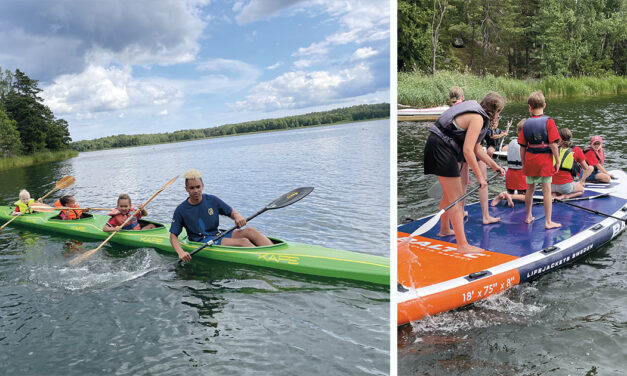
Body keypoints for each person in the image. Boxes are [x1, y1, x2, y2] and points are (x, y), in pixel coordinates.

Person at [424, 92, 506, 254]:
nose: (499, 115)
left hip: (437, 145)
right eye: (499, 111)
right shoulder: (478, 118)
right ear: (495, 110)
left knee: (449, 195)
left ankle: (445, 229)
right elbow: (468, 151)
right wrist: (480, 177)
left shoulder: (474, 113)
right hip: (441, 149)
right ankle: (462, 245)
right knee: (455, 198)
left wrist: (494, 165)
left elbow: (476, 148)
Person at [170, 169, 273, 262]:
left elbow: (232, 212)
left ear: (203, 186)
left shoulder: (212, 200)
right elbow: (173, 236)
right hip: (201, 241)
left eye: (198, 187)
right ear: (186, 189)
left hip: (217, 234)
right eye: (192, 188)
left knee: (250, 231)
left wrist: (237, 216)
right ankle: (268, 261)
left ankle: (277, 254)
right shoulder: (181, 210)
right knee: (243, 242)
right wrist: (181, 252)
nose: (196, 191)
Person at [519, 91, 561, 229]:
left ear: (529, 107)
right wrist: (557, 161)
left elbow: (522, 147)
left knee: (529, 189)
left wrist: (524, 163)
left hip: (530, 159)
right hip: (545, 161)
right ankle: (548, 222)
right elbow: (554, 145)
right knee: (546, 190)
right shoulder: (549, 121)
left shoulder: (525, 124)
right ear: (544, 105)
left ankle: (528, 216)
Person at [491, 120, 527, 207]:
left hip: (510, 173)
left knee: (511, 190)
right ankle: (509, 196)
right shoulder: (526, 144)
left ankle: (505, 195)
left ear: (517, 131)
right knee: (526, 197)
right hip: (520, 174)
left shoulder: (511, 143)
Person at [551, 128, 593, 200]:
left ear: (560, 138)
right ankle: (565, 196)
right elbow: (586, 168)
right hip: (564, 187)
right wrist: (582, 180)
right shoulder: (576, 150)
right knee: (581, 190)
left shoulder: (553, 149)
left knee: (559, 184)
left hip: (550, 185)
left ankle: (554, 194)